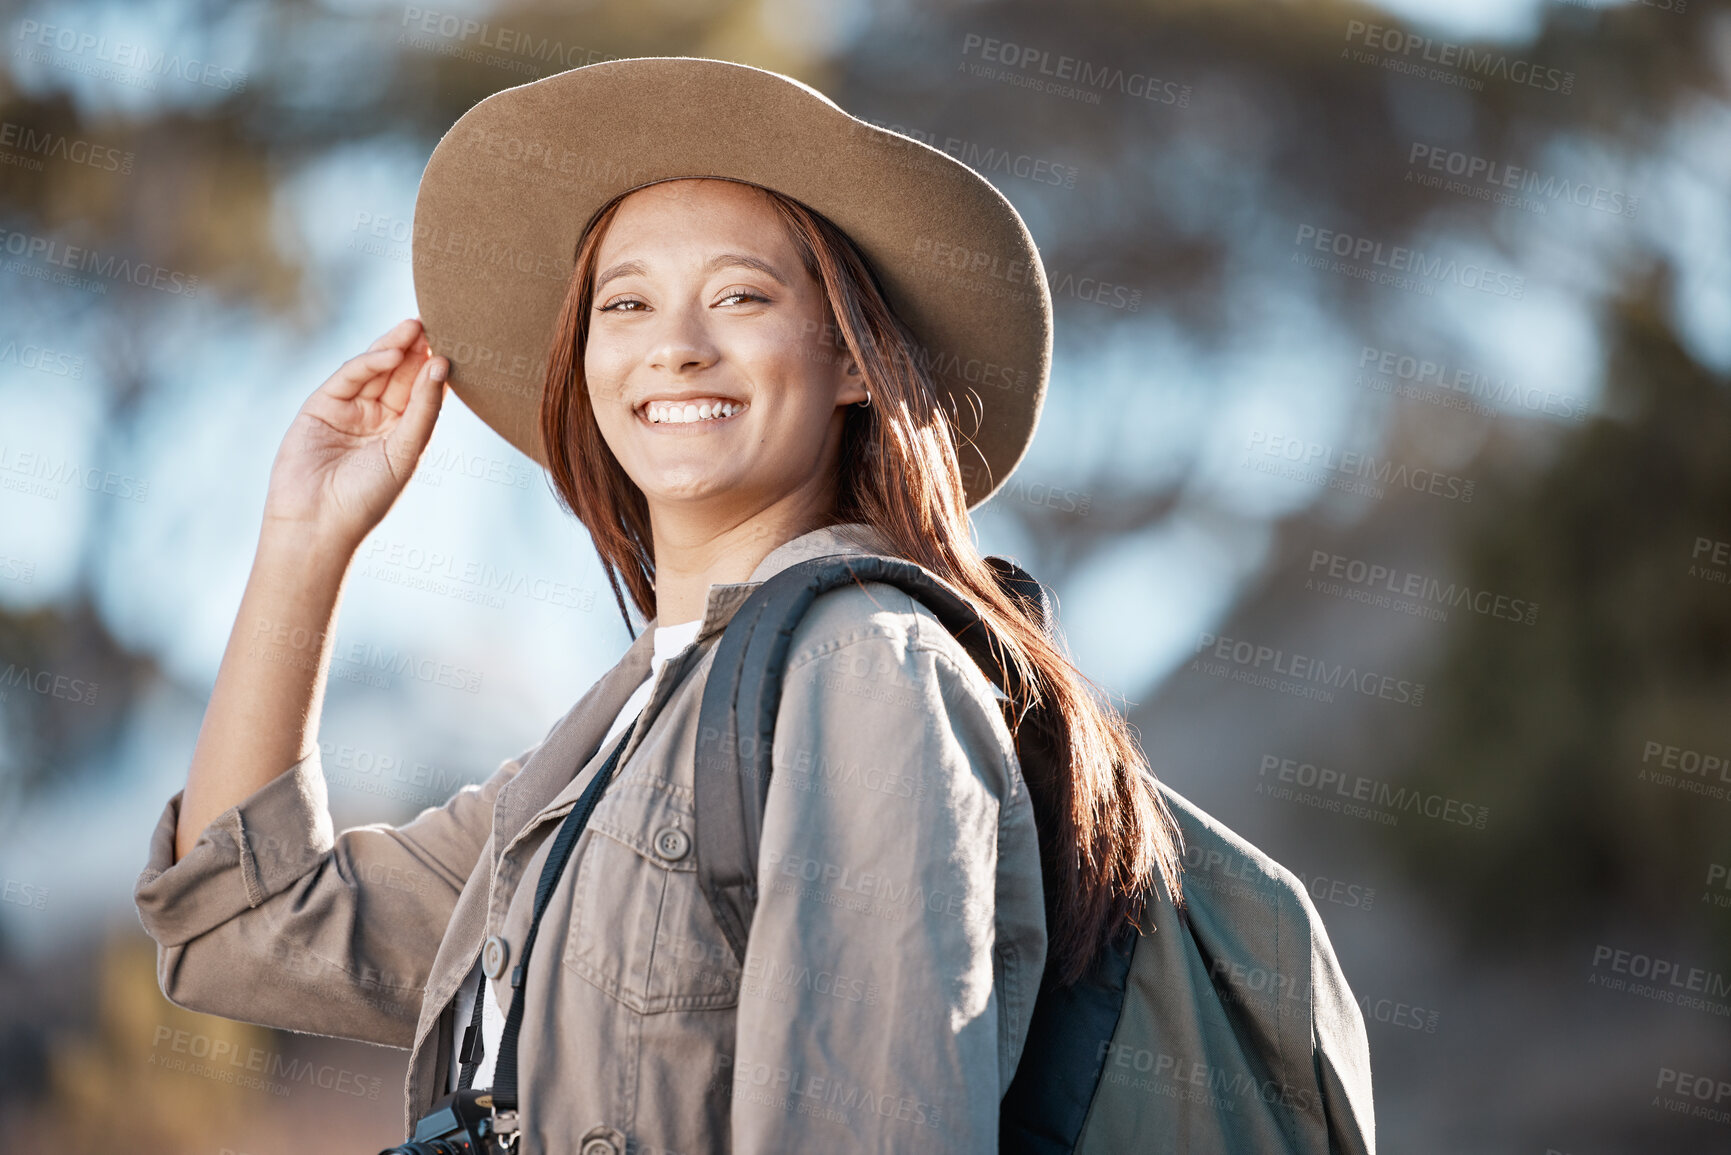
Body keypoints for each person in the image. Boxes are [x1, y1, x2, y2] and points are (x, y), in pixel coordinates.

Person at [133, 57, 1183, 1153]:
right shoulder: (590, 766)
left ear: (854, 366)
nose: (675, 345)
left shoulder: (868, 667)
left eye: (740, 296)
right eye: (625, 302)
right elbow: (237, 928)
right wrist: (305, 541)